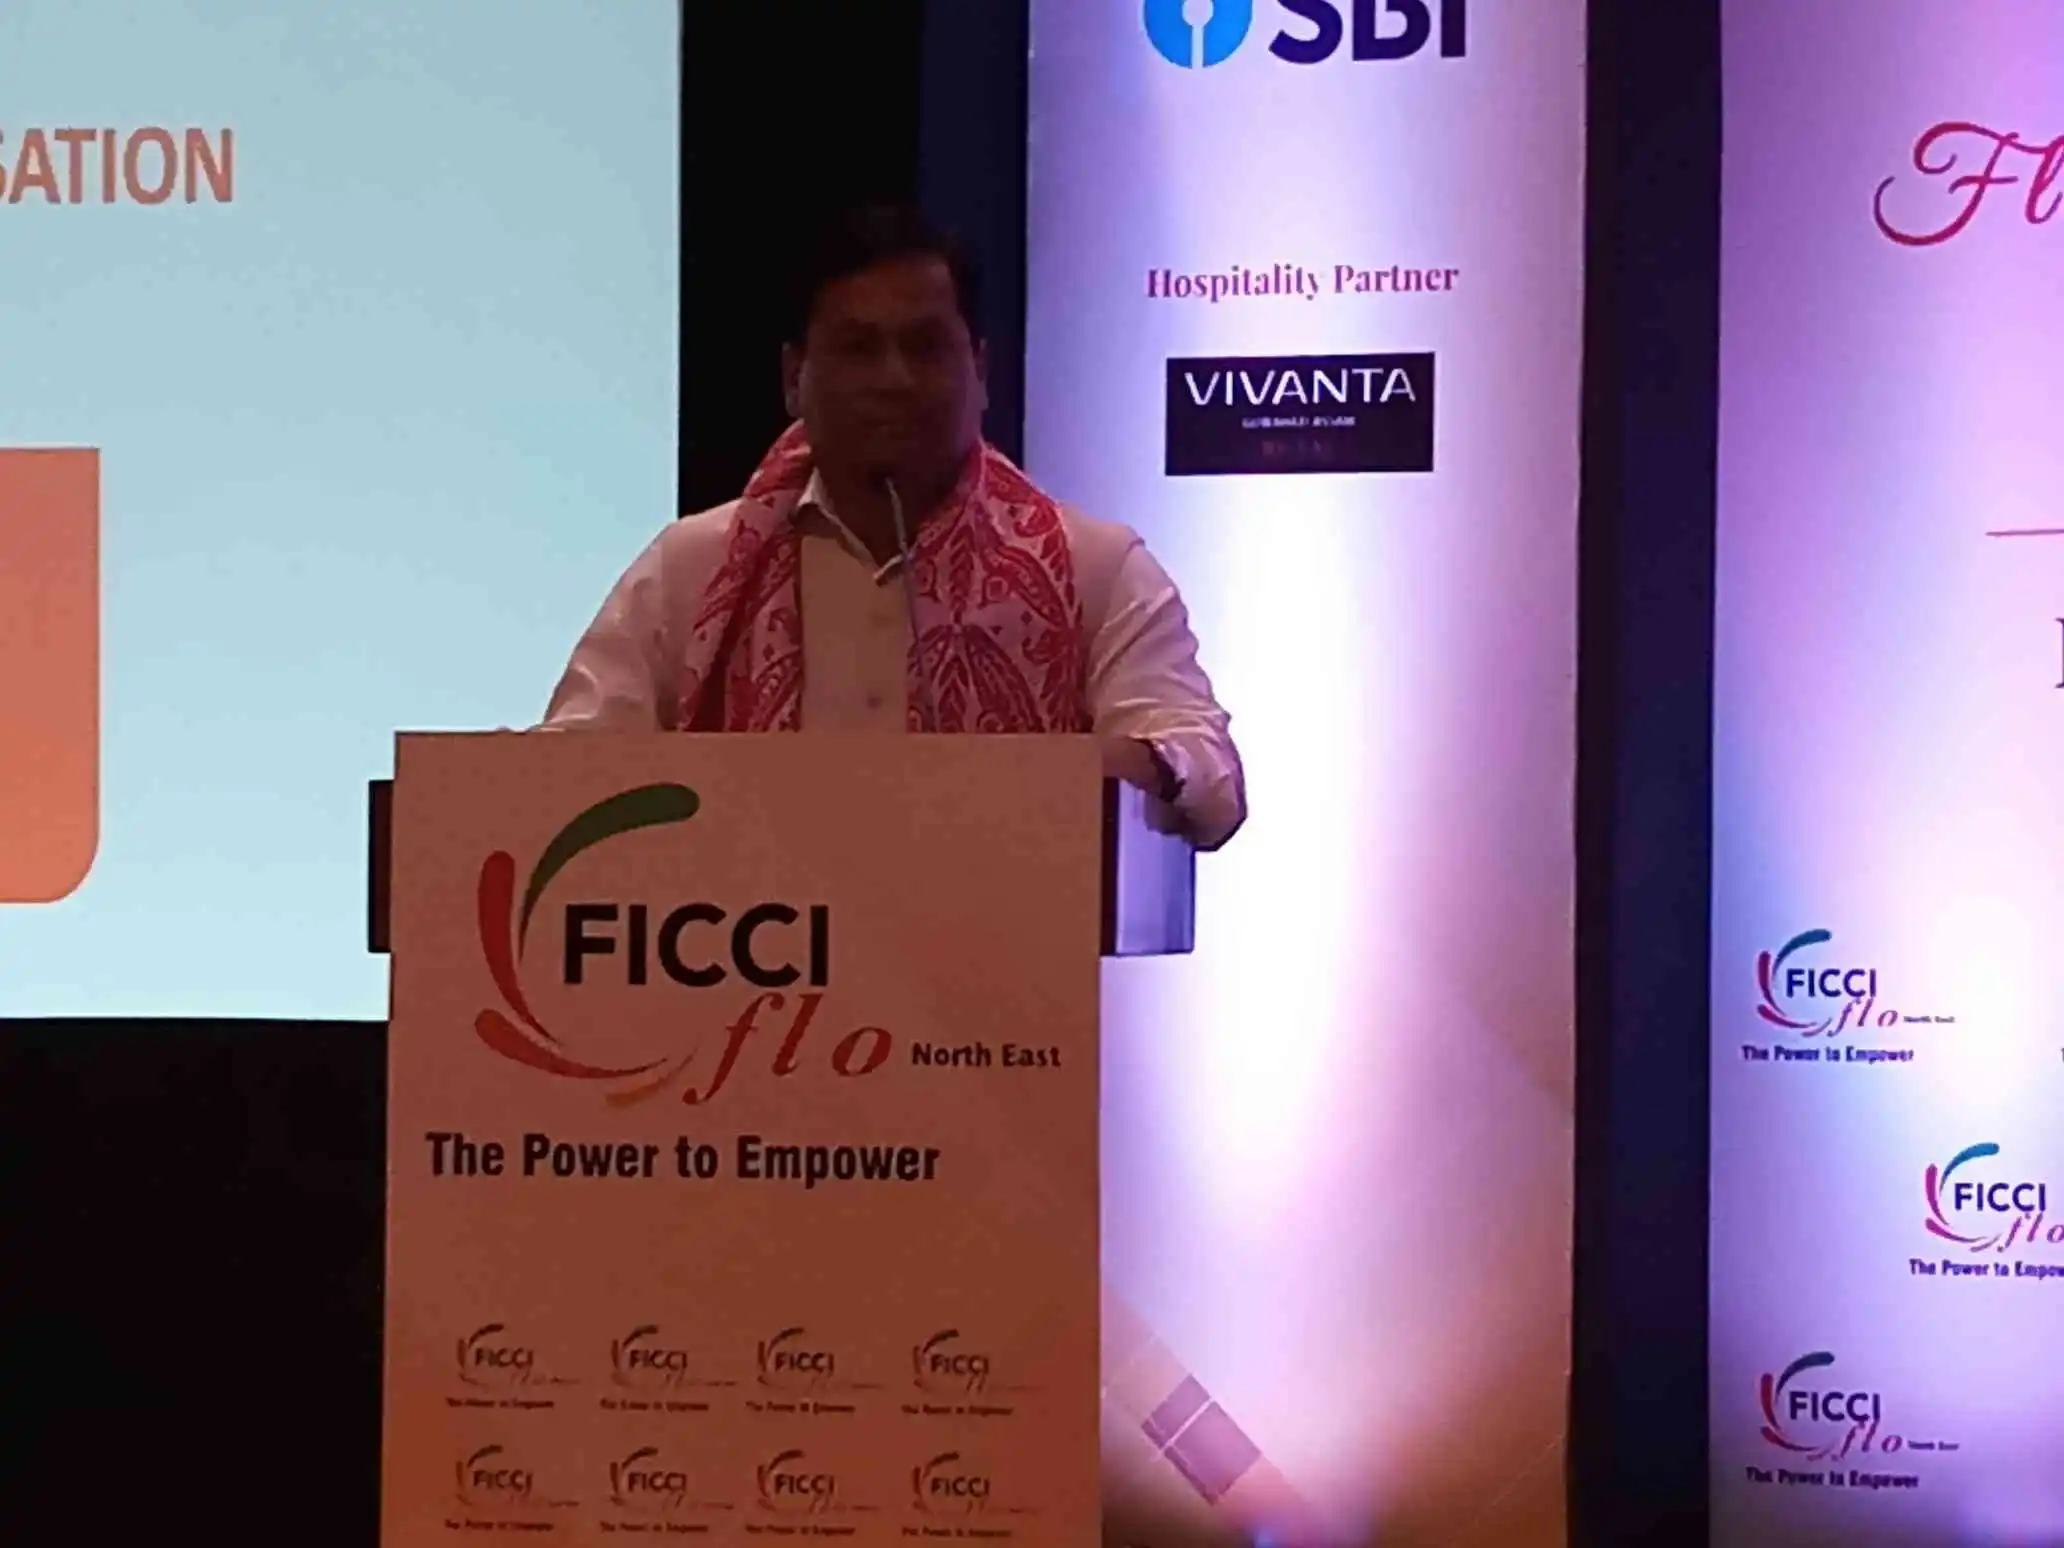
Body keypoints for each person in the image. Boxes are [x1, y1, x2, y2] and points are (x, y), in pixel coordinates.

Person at [540, 204, 1246, 850]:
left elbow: (1208, 774)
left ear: (980, 370)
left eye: (926, 347)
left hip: (996, 945)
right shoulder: (694, 567)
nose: (895, 379)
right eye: (858, 349)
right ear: (794, 377)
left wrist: (1130, 765)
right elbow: (565, 770)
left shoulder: (1094, 566)